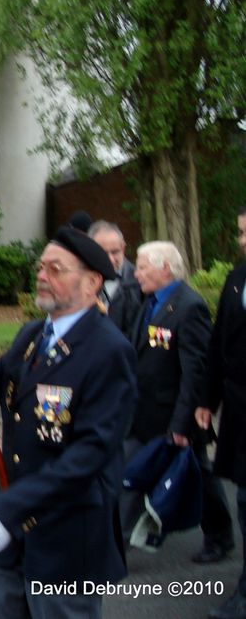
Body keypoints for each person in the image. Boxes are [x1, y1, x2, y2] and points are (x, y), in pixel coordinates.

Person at [0, 226, 137, 619]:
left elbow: (90, 454)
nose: (42, 276)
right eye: (40, 267)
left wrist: (9, 507)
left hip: (65, 538)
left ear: (92, 282)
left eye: (56, 269)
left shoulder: (108, 351)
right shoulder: (33, 334)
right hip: (12, 535)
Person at [122, 241, 233, 562]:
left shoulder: (189, 307)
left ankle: (220, 536)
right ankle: (123, 539)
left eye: (142, 266)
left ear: (164, 268)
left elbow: (195, 371)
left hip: (174, 414)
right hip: (144, 411)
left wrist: (182, 424)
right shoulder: (150, 302)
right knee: (130, 473)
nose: (136, 272)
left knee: (198, 474)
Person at [197, 207, 246, 619]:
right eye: (241, 232)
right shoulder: (235, 281)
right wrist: (205, 401)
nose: (241, 241)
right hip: (240, 413)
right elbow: (217, 348)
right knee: (245, 498)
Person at [89, 220, 143, 336]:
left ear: (123, 248)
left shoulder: (140, 281)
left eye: (115, 252)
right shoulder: (81, 279)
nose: (110, 259)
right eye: (103, 253)